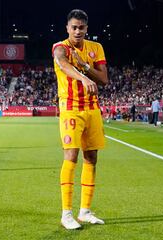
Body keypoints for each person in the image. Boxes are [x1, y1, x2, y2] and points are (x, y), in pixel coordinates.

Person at [52, 9, 109, 230]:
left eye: (81, 27)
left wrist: (85, 66)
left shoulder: (96, 48)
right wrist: (84, 77)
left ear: (86, 28)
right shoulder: (60, 47)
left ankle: (84, 211)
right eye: (74, 27)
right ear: (67, 27)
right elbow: (63, 65)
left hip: (92, 109)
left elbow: (104, 79)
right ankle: (66, 213)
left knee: (91, 157)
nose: (77, 31)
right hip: (70, 108)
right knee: (71, 155)